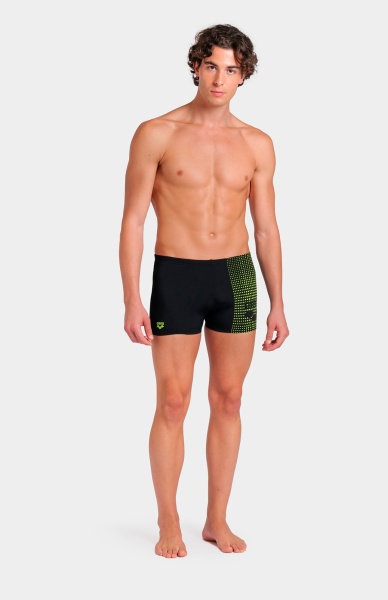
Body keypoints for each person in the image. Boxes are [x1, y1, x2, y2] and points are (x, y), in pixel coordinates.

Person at [119, 23, 289, 558]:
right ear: (196, 66)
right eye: (211, 65)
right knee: (173, 402)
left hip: (236, 276)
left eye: (231, 69)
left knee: (230, 398)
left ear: (244, 76)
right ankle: (168, 521)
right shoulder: (157, 133)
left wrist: (279, 302)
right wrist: (131, 297)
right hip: (177, 274)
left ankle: (216, 519)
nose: (220, 78)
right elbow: (132, 221)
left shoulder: (256, 143)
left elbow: (266, 229)